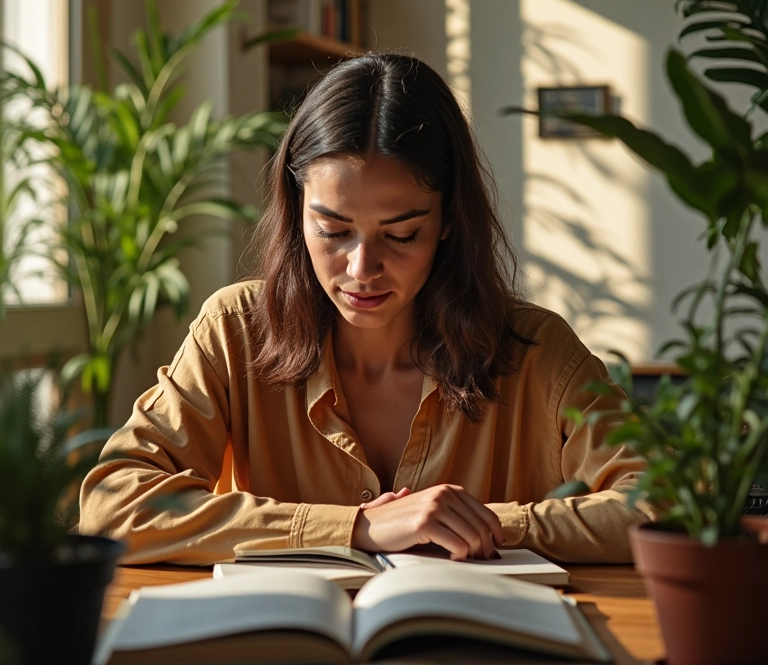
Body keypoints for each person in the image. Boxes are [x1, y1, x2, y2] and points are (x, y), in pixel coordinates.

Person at [78, 53, 654, 566]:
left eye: (401, 235)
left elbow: (663, 501)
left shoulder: (534, 349)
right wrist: (357, 527)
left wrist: (476, 522)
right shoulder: (235, 330)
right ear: (297, 210)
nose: (360, 269)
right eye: (332, 230)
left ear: (449, 220)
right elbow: (113, 504)